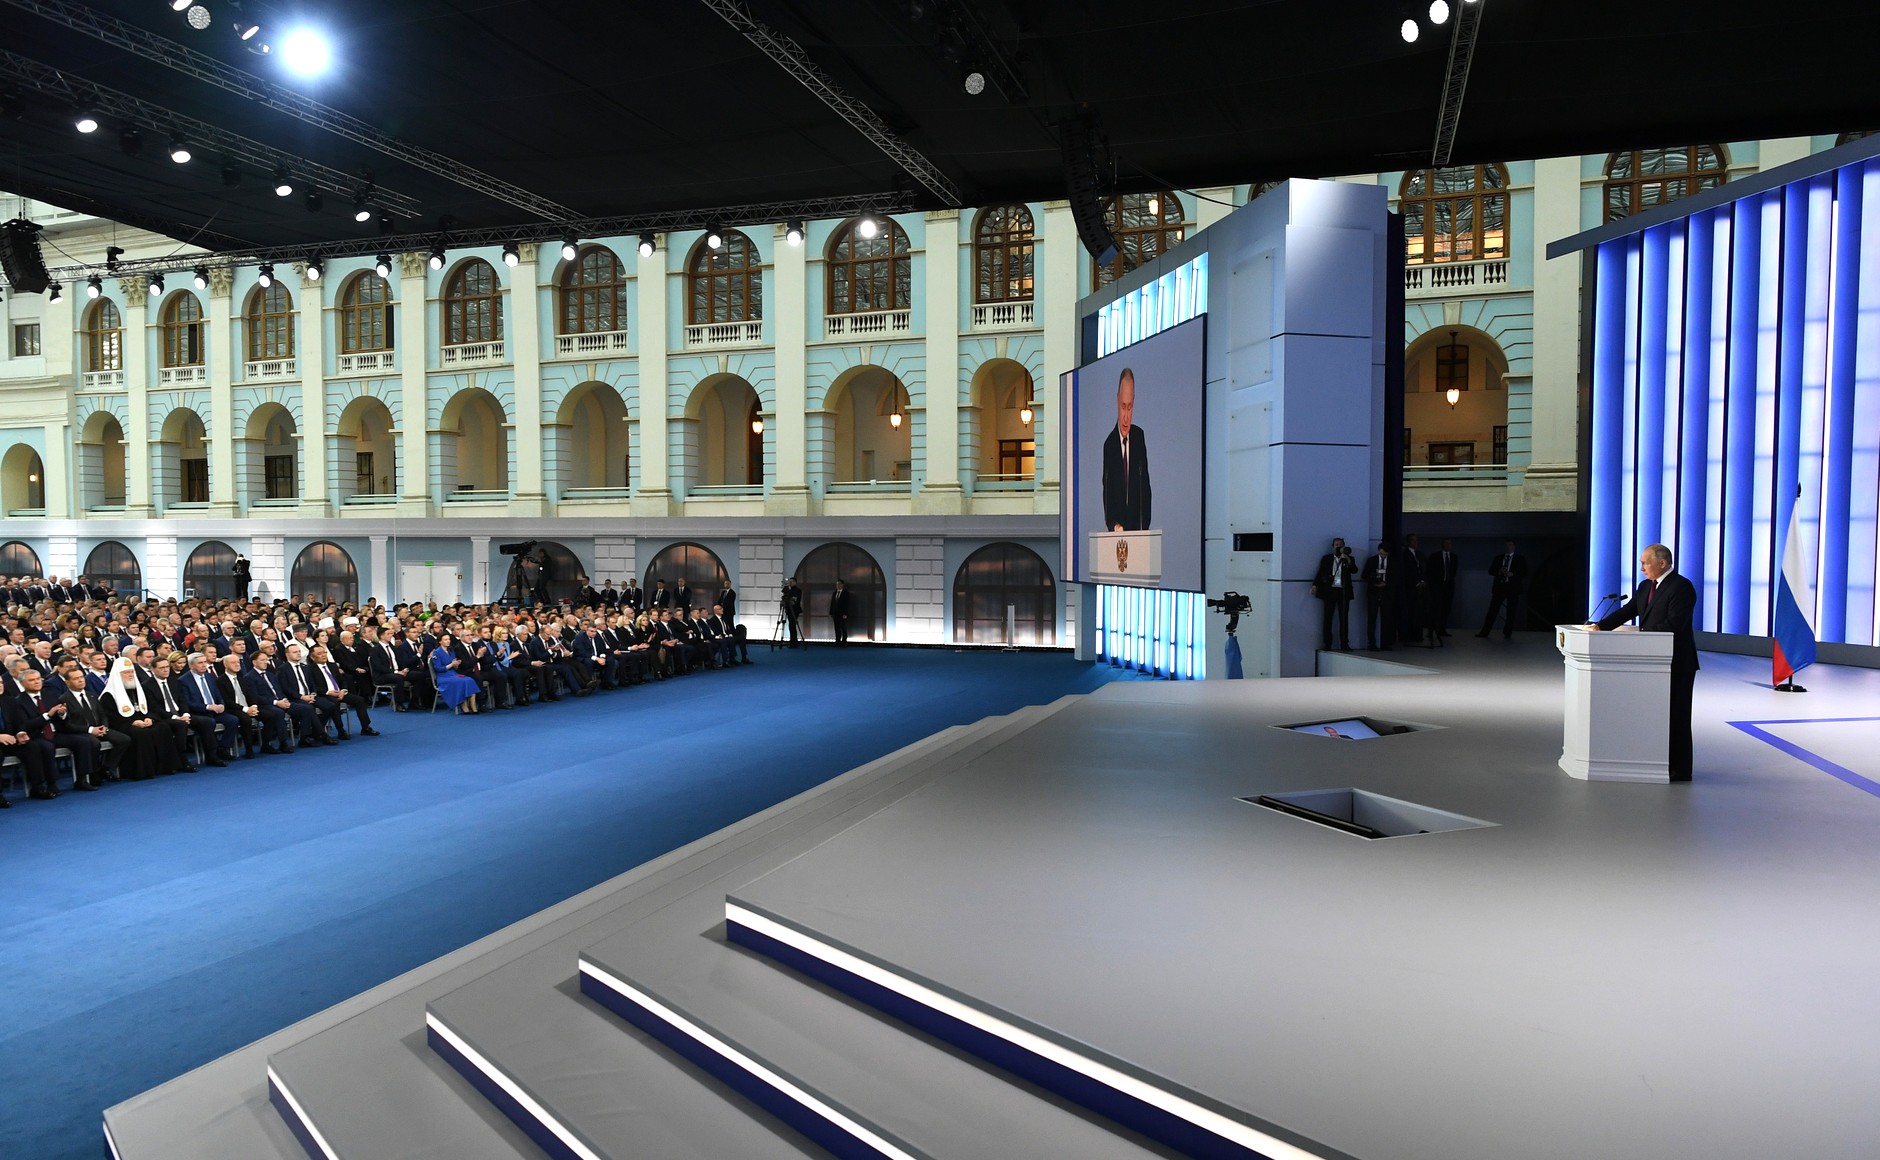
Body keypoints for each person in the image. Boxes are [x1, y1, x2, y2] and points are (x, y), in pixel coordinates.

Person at [1590, 543, 1699, 781]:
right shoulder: (1645, 586)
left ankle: (1680, 769)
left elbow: (1674, 624)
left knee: (1677, 716)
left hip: (1677, 662)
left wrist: (1642, 634)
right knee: (1654, 714)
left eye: (1645, 563)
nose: (1641, 569)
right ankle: (1655, 762)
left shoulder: (1681, 587)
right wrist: (1600, 626)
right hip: (1651, 662)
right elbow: (1628, 611)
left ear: (1662, 563)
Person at [1100, 367, 1151, 532]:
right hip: (1118, 532)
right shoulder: (1109, 445)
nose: (1126, 417)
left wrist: (1144, 528)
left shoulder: (1139, 437)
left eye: (1130, 407)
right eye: (1123, 407)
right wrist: (1114, 524)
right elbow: (1107, 493)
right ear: (1117, 400)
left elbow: (1145, 488)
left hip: (1139, 532)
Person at [57, 668, 127, 783]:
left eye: (81, 677)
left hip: (99, 728)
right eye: (76, 678)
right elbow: (68, 724)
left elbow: (102, 714)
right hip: (82, 732)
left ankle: (106, 768)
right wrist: (90, 730)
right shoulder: (63, 699)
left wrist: (104, 726)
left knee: (124, 739)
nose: (81, 680)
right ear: (67, 682)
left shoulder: (92, 696)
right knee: (94, 743)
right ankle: (94, 774)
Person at [1310, 538, 1356, 651]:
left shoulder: (1349, 558)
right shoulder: (1327, 558)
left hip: (1343, 592)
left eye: (1340, 545)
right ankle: (1327, 643)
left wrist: (1347, 559)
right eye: (1336, 545)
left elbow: (1354, 570)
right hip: (1330, 591)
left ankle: (1344, 644)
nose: (1338, 547)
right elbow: (1321, 572)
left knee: (1344, 618)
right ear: (1333, 546)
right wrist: (1315, 585)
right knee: (1328, 618)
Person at [1477, 540, 1528, 639]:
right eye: (1506, 545)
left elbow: (1525, 571)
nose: (1508, 547)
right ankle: (1485, 632)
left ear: (1514, 547)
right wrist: (1499, 571)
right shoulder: (1498, 558)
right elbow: (1491, 571)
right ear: (1504, 547)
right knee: (1493, 610)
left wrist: (1512, 574)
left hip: (1513, 588)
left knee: (1511, 611)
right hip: (1500, 587)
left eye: (1510, 545)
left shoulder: (1519, 558)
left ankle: (1507, 633)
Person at [429, 633, 483, 713]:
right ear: (440, 642)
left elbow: (455, 667)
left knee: (470, 680)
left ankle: (473, 705)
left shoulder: (451, 651)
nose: (448, 641)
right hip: (443, 677)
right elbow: (438, 669)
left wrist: (456, 664)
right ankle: (464, 706)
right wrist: (451, 665)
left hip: (453, 674)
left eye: (449, 639)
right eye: (445, 640)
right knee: (461, 682)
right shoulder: (437, 652)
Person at [1362, 542, 1396, 651]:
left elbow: (1396, 577)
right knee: (1372, 618)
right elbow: (1364, 575)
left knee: (1386, 618)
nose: (1383, 556)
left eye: (1385, 554)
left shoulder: (1393, 562)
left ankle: (1385, 642)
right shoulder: (1372, 561)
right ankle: (1371, 643)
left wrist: (1386, 583)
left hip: (1386, 592)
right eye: (1381, 554)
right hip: (1374, 592)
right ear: (1379, 551)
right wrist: (1374, 581)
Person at [1426, 537, 1459, 639]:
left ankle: (1442, 629)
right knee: (1435, 608)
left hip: (1449, 586)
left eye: (1449, 543)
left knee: (1446, 608)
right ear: (1442, 544)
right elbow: (1429, 571)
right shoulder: (1435, 556)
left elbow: (1454, 571)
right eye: (1446, 543)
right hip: (1437, 586)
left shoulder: (1454, 557)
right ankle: (1431, 630)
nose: (1448, 545)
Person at [782, 577, 804, 648]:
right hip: (789, 610)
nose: (790, 583)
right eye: (789, 582)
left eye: (791, 582)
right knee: (791, 626)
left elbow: (795, 600)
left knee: (792, 625)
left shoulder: (798, 590)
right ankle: (793, 641)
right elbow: (786, 599)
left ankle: (793, 642)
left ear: (795, 582)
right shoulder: (789, 590)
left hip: (795, 610)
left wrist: (790, 600)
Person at [829, 579, 853, 644]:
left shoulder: (846, 593)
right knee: (836, 627)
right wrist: (831, 612)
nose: (837, 585)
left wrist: (845, 613)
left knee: (843, 627)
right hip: (835, 613)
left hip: (842, 614)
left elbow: (847, 604)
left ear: (842, 585)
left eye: (839, 584)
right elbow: (832, 603)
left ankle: (844, 641)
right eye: (836, 584)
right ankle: (837, 641)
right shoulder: (834, 593)